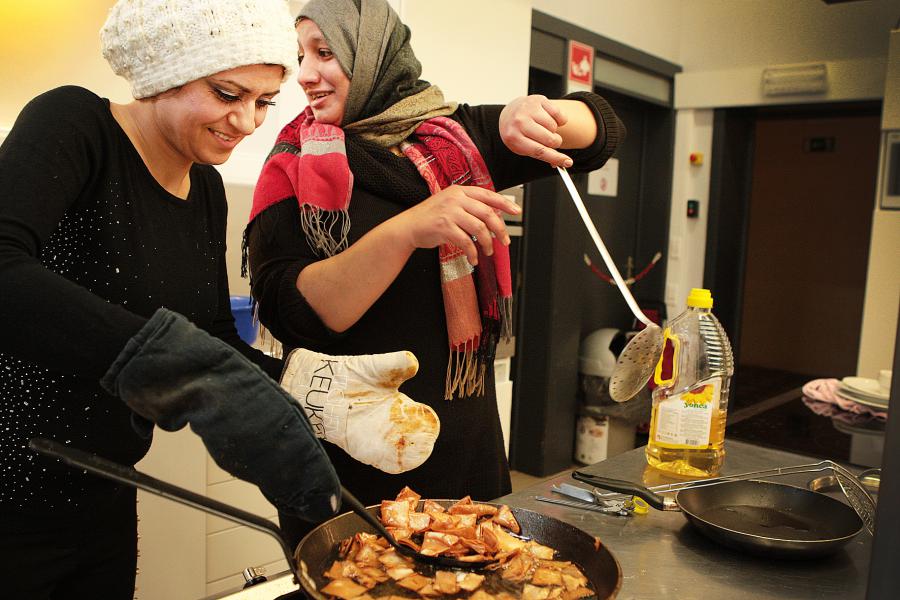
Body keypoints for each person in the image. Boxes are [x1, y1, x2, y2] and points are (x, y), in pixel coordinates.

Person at [0, 0, 433, 597]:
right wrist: (182, 367)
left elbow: (209, 333)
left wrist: (301, 383)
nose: (248, 122)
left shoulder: (204, 186)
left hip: (103, 484)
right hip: (11, 486)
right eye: (228, 94)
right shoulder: (74, 124)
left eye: (263, 101)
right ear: (164, 72)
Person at [245, 0, 625, 548]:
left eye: (324, 53)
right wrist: (406, 230)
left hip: (461, 446)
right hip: (347, 455)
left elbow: (605, 131)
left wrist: (543, 114)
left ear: (373, 55)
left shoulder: (457, 136)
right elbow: (299, 314)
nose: (305, 74)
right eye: (301, 54)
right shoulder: (293, 164)